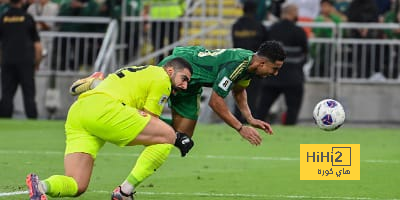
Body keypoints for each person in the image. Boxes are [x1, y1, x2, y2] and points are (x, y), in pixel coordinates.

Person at [26, 57, 194, 200]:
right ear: (170, 70)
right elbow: (152, 120)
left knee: (77, 184)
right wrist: (177, 136)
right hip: (104, 108)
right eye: (184, 78)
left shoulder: (140, 71)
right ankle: (124, 191)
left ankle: (41, 187)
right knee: (166, 137)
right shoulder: (162, 78)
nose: (185, 85)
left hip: (79, 112)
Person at [70, 41, 286, 145]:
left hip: (192, 84)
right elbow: (216, 102)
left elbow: (239, 91)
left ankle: (129, 113)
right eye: (274, 69)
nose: (275, 74)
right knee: (149, 119)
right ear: (262, 62)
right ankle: (99, 85)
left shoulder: (249, 66)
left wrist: (250, 117)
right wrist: (241, 128)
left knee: (182, 135)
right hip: (179, 71)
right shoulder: (238, 63)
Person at [254, 3, 308, 125]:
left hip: (271, 77)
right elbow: (305, 54)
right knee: (292, 111)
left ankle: (256, 133)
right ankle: (289, 136)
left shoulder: (272, 29)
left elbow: (262, 52)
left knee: (262, 110)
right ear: (293, 13)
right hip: (294, 78)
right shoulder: (299, 31)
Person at [0, 0, 42, 119]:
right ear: (22, 2)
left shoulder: (3, 18)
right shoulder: (28, 18)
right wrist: (37, 62)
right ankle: (32, 120)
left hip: (7, 60)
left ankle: (4, 121)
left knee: (7, 93)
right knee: (29, 93)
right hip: (26, 61)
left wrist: (2, 61)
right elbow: (38, 46)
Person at [231, 0, 269, 123]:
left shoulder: (236, 25)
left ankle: (237, 118)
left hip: (238, 64)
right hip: (255, 66)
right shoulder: (259, 26)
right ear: (255, 10)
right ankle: (250, 119)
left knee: (237, 92)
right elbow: (265, 47)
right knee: (252, 94)